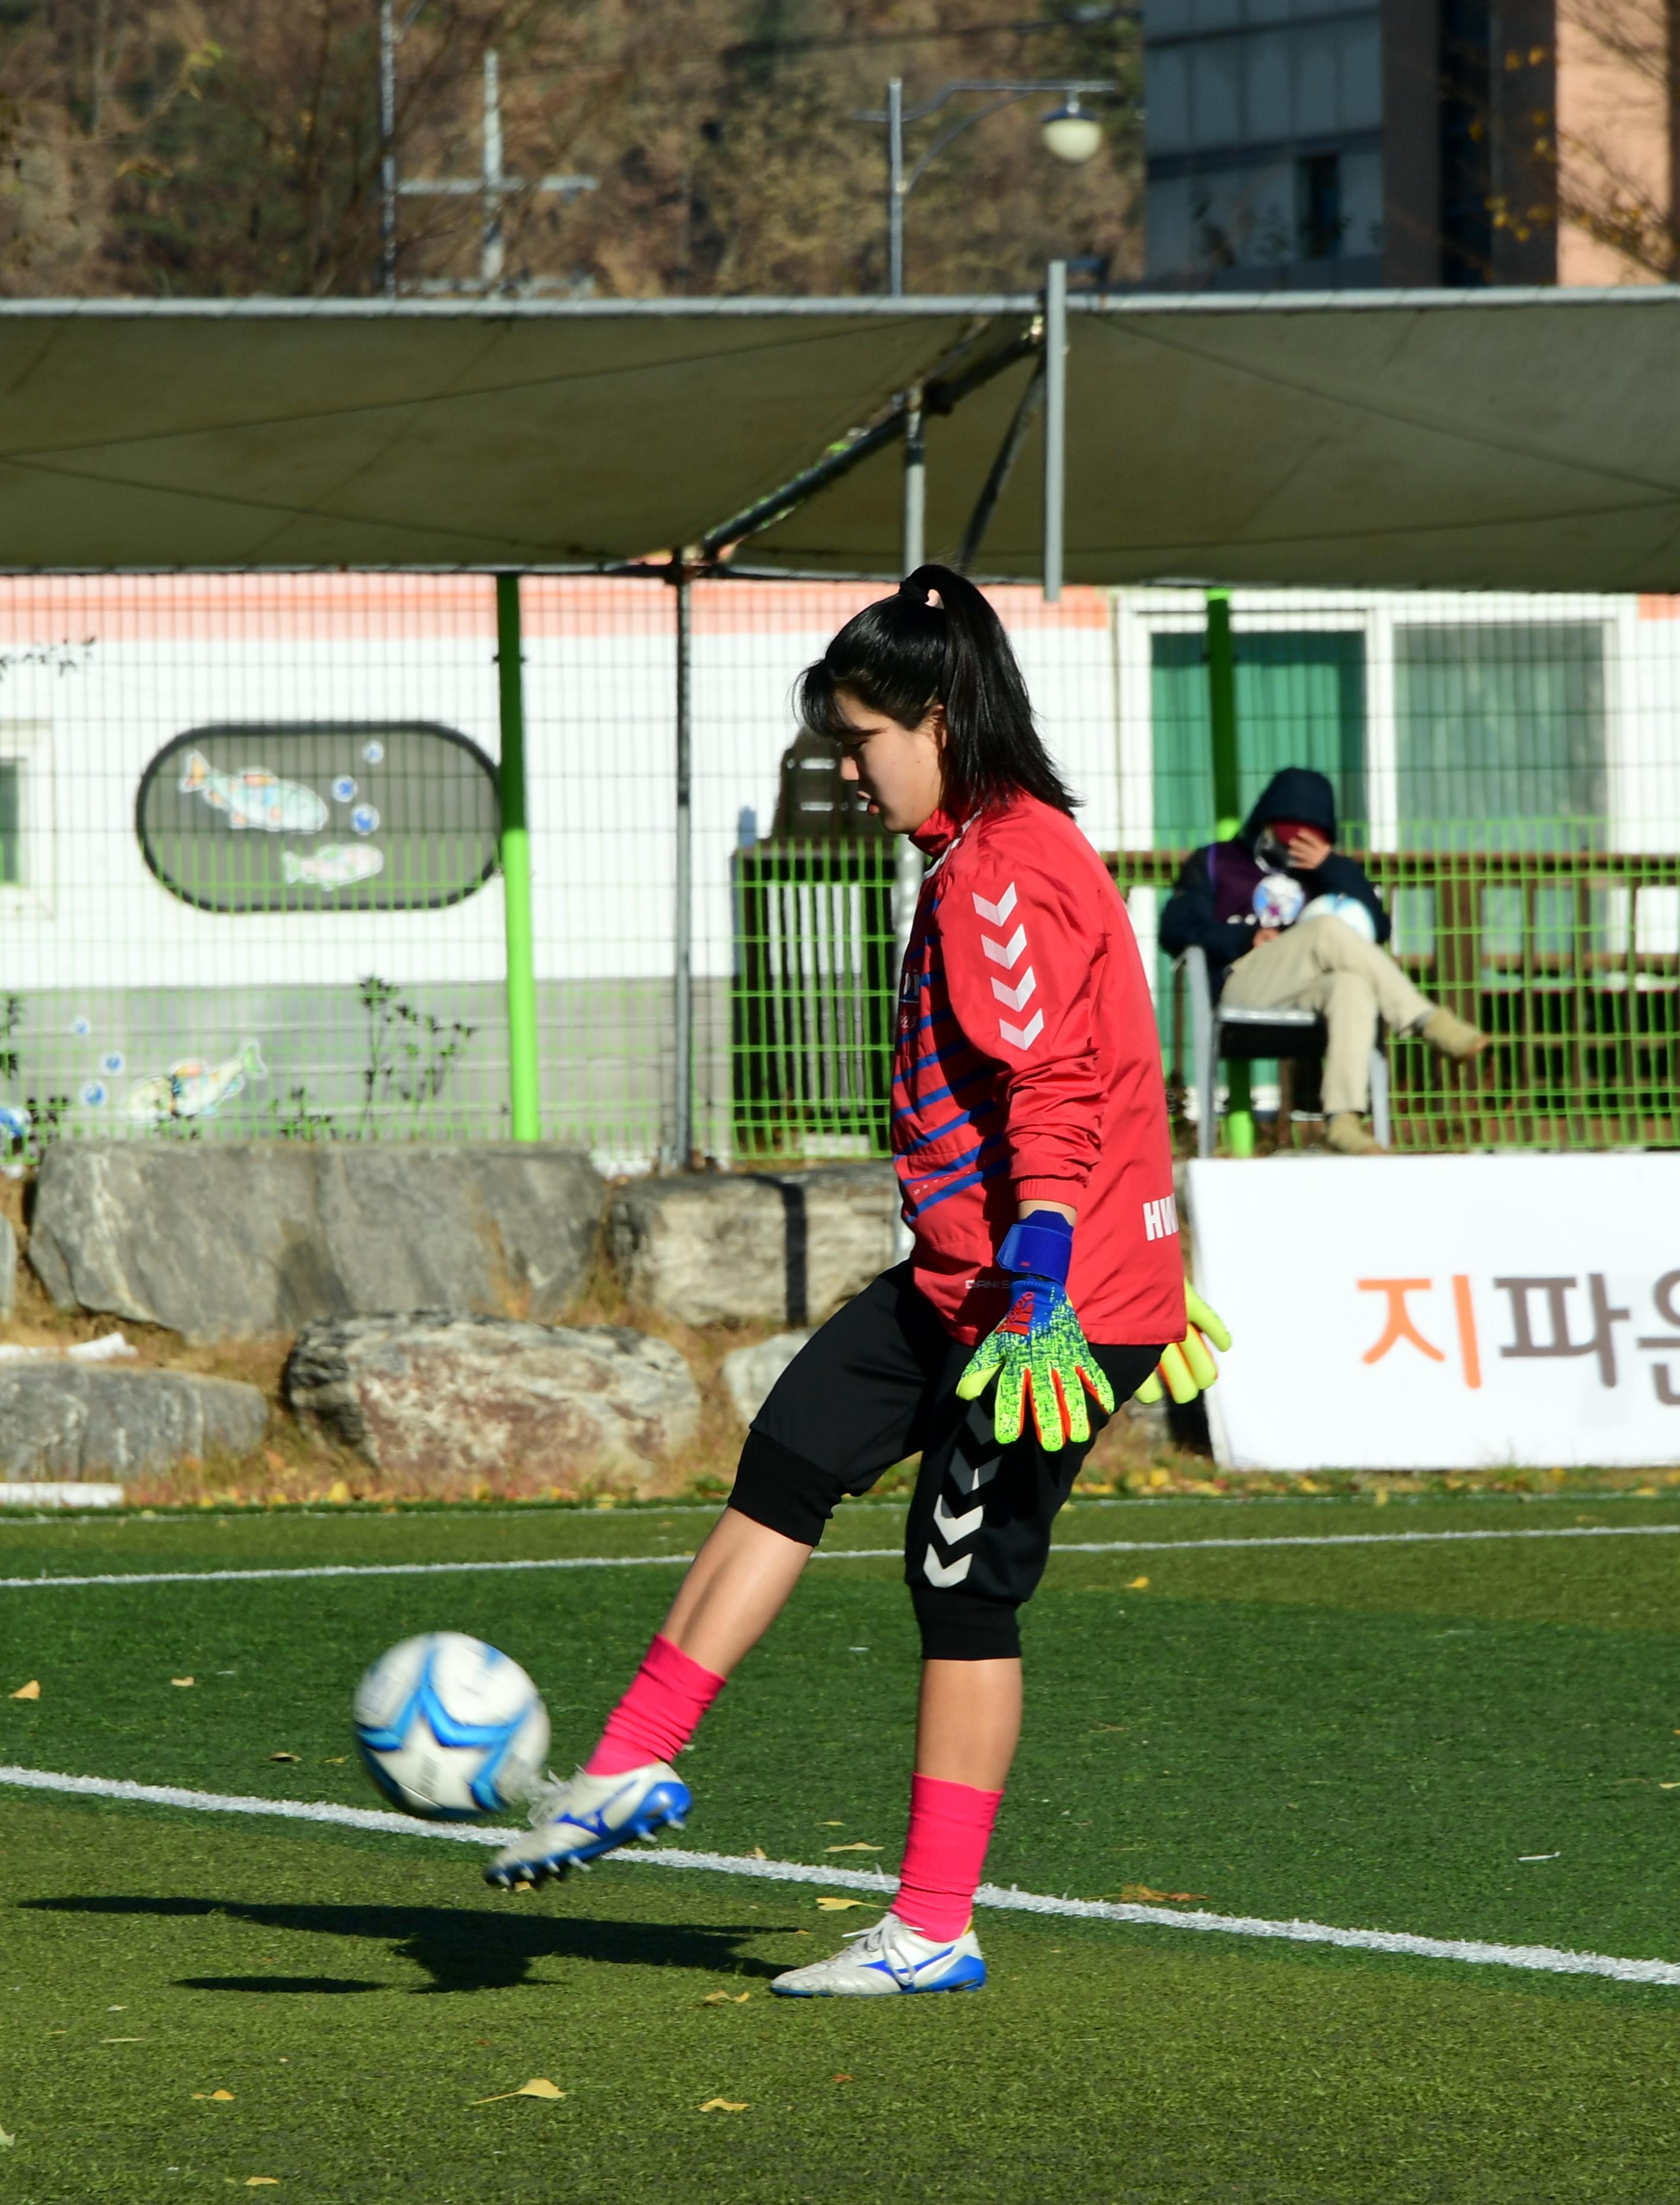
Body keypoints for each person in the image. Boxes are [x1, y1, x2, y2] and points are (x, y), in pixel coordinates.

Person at [485, 565, 1229, 1996]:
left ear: (939, 719)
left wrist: (1061, 1262)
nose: (847, 763)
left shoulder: (1003, 870)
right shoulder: (999, 848)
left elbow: (1057, 1088)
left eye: (861, 735)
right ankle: (628, 1765)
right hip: (969, 1280)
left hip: (1037, 1311)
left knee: (958, 1583)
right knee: (791, 1451)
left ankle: (933, 1926)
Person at [1157, 766, 1485, 1154]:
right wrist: (1245, 936)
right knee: (1326, 928)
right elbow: (1175, 928)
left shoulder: (1328, 872)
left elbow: (1375, 928)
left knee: (1352, 986)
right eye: (1289, 828)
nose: (1298, 840)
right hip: (1240, 981)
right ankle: (1428, 1020)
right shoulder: (1216, 861)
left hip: (1303, 991)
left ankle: (1343, 1121)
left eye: (1311, 832)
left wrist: (1332, 867)